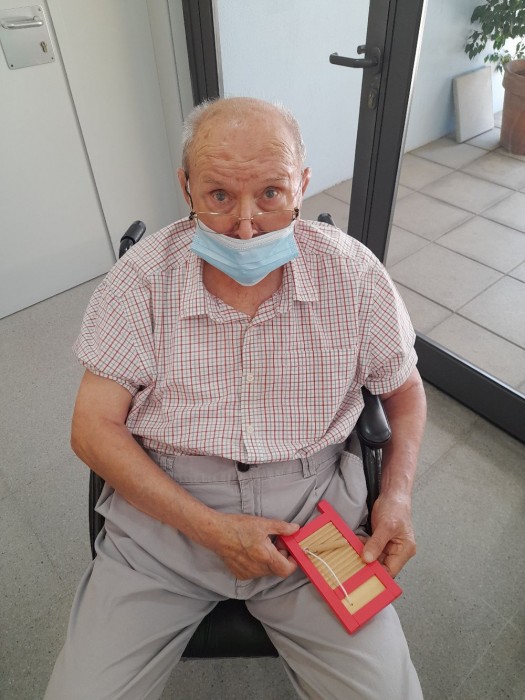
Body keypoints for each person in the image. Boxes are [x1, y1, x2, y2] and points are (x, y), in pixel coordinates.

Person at [45, 96, 426, 700]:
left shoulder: (354, 276)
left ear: (301, 185)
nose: (246, 226)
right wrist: (210, 529)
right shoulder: (140, 280)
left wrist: (397, 497)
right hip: (165, 520)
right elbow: (92, 428)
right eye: (219, 196)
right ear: (187, 188)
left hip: (315, 519)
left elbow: (404, 391)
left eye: (270, 193)